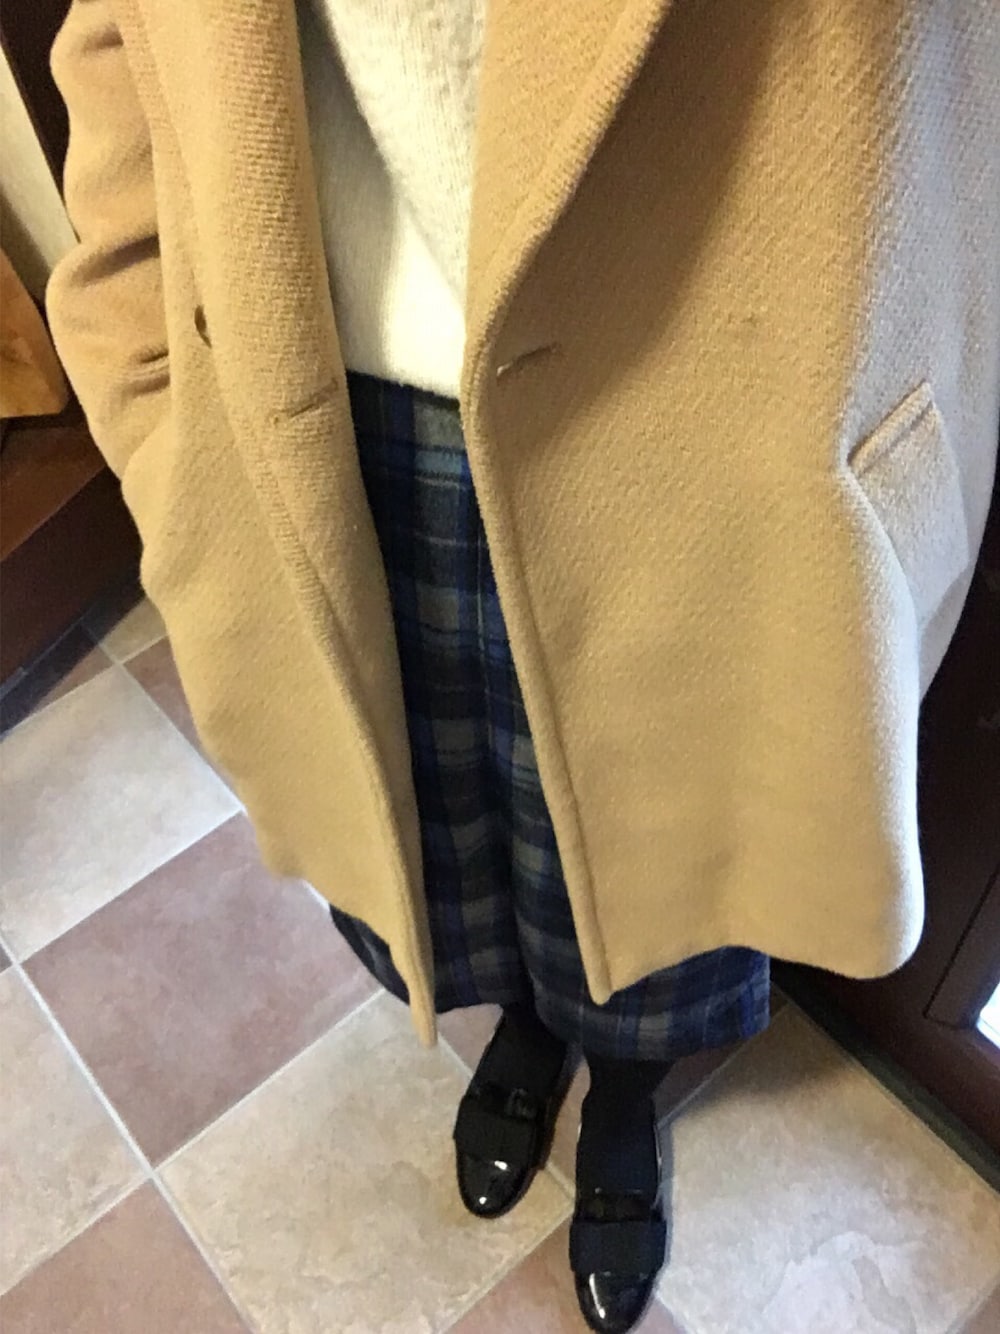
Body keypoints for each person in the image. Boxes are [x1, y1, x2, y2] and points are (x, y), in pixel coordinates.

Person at [46, 2, 999, 1330]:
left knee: (665, 876)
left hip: (709, 443)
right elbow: (124, 47)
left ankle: (624, 1096)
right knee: (451, 859)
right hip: (335, 419)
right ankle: (529, 1029)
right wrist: (154, 413)